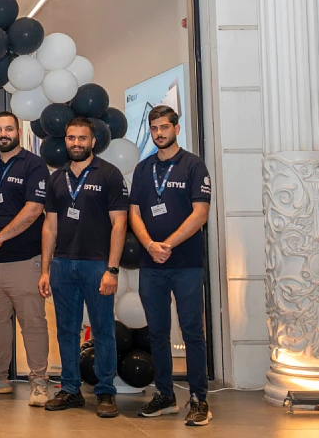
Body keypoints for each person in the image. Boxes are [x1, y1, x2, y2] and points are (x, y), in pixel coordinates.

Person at [39, 117, 129, 418]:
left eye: (82, 138)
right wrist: (45, 269)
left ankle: (105, 392)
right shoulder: (57, 178)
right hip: (63, 265)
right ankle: (70, 389)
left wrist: (112, 269)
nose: (76, 143)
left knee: (103, 329)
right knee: (66, 329)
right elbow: (49, 228)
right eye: (71, 138)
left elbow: (120, 224)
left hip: (97, 264)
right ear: (65, 141)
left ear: (93, 142)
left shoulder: (109, 175)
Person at [129, 105, 212, 427]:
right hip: (152, 265)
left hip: (186, 264)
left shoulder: (194, 166)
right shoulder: (143, 168)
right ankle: (164, 395)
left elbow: (200, 213)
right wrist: (150, 244)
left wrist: (169, 244)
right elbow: (134, 212)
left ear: (176, 129)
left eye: (164, 127)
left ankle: (198, 399)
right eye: (154, 129)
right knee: (158, 334)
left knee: (192, 332)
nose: (159, 133)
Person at [0, 111, 51, 406]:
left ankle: (39, 381)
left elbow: (34, 209)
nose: (3, 134)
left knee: (33, 322)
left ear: (17, 131)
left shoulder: (34, 164)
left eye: (9, 129)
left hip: (24, 259)